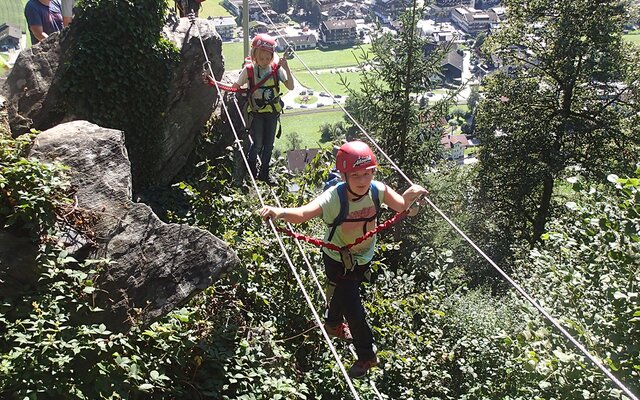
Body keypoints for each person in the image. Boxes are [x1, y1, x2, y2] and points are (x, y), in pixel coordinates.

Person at [258, 140, 428, 378]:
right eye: (356, 175)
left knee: (340, 293)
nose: (363, 180)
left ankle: (333, 324)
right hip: (336, 258)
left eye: (368, 174)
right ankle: (367, 355)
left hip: (364, 256)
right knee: (354, 308)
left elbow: (401, 205)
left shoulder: (377, 190)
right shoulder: (334, 198)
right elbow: (304, 214)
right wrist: (279, 212)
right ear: (344, 175)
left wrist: (410, 195)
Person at [232, 34, 294, 185]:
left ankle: (264, 173)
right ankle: (252, 170)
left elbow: (290, 86)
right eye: (262, 58)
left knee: (269, 145)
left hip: (272, 112)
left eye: (268, 58)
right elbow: (236, 86)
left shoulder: (275, 69)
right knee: (258, 144)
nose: (265, 61)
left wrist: (286, 67)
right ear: (255, 56)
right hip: (257, 113)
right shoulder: (249, 71)